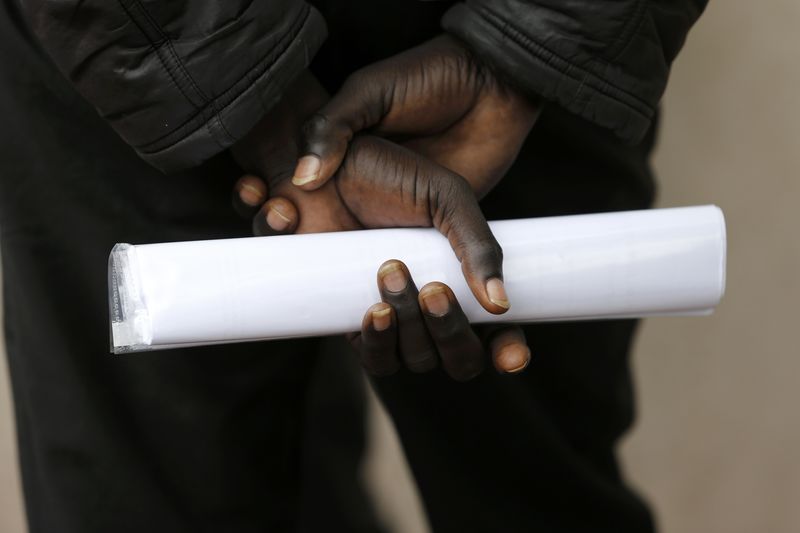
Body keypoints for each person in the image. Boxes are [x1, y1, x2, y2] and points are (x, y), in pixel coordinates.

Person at [0, 1, 707, 532]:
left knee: (534, 487)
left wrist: (530, 54)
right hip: (131, 65)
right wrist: (534, 50)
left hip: (139, 43)